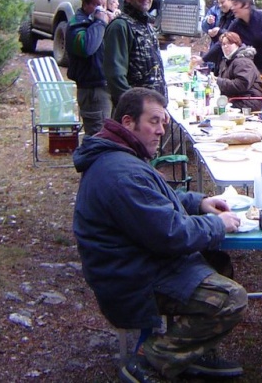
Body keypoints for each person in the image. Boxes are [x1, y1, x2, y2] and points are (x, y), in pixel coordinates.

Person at [73, 88, 246, 382]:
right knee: (230, 298)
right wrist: (218, 225)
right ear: (128, 123)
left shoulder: (120, 156)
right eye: (154, 122)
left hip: (136, 262)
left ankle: (190, 353)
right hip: (130, 279)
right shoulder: (121, 172)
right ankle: (150, 362)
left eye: (163, 123)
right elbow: (170, 234)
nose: (160, 131)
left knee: (218, 263)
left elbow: (155, 199)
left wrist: (197, 203)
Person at [103, 0, 167, 110]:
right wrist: (136, 108)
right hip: (136, 113)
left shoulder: (147, 26)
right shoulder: (120, 26)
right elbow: (115, 76)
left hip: (153, 108)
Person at [66, 0, 112, 136]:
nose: (101, 10)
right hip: (92, 91)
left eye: (104, 6)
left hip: (104, 87)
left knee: (107, 135)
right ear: (85, 4)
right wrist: (100, 23)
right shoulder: (77, 24)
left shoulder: (97, 22)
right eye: (96, 5)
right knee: (97, 136)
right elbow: (87, 47)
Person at [214, 32, 262, 112]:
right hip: (236, 97)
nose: (225, 46)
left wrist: (217, 81)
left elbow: (241, 85)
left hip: (248, 101)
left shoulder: (243, 62)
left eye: (229, 43)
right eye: (223, 44)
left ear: (237, 44)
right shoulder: (227, 60)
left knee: (215, 108)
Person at [198, 0, 235, 69]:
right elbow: (205, 28)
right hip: (217, 52)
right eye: (219, 3)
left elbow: (234, 35)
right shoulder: (218, 11)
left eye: (223, 2)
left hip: (231, 55)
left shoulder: (237, 14)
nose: (220, 5)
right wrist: (209, 25)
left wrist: (219, 31)